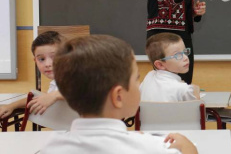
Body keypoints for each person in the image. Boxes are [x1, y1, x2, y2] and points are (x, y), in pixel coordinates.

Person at [40, 35, 197, 154]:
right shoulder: (152, 148)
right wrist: (186, 146)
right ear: (118, 96)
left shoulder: (50, 148)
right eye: (136, 79)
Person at [0, 31, 64, 119]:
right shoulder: (55, 83)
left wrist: (54, 96)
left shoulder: (77, 77)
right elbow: (40, 99)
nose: (47, 64)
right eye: (41, 59)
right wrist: (12, 106)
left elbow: (81, 92)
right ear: (35, 61)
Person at [141, 33, 200, 102]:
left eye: (185, 51)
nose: (186, 58)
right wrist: (195, 92)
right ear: (160, 65)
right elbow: (196, 109)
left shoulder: (149, 77)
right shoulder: (183, 89)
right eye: (177, 55)